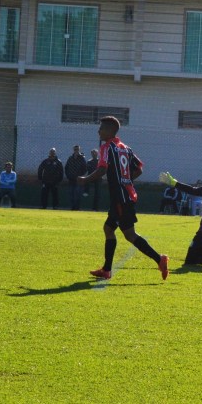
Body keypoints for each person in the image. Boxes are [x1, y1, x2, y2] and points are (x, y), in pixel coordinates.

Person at [78, 116, 168, 281]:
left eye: (101, 128)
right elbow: (139, 168)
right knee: (108, 229)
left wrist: (85, 179)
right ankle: (106, 270)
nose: (98, 131)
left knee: (130, 235)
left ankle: (159, 259)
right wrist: (126, 180)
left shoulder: (107, 147)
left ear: (110, 131)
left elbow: (102, 169)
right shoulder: (126, 148)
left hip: (121, 199)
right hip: (125, 196)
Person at [65, 145, 87, 211]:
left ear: (79, 150)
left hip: (78, 180)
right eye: (75, 149)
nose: (76, 151)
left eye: (77, 149)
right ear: (73, 150)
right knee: (71, 194)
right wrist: (68, 175)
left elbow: (85, 168)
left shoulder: (82, 158)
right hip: (71, 179)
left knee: (77, 194)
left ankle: (77, 208)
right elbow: (66, 168)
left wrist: (81, 176)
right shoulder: (70, 158)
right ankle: (72, 207)